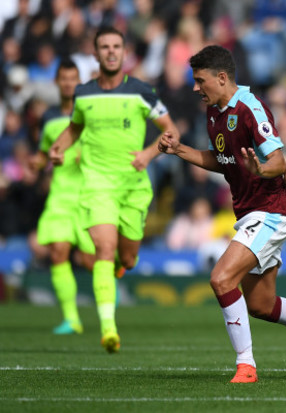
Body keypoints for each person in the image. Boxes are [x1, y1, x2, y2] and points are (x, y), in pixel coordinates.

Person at [158, 45, 286, 383]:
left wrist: (260, 169)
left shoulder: (251, 109)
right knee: (262, 305)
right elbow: (220, 160)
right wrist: (179, 149)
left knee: (221, 278)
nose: (196, 88)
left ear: (221, 78)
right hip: (250, 213)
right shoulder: (214, 112)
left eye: (200, 80)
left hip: (270, 212)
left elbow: (279, 163)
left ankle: (246, 365)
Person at [49, 26, 180, 353]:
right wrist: (59, 147)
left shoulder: (142, 91)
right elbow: (74, 127)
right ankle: (109, 330)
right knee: (103, 251)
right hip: (97, 185)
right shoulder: (84, 93)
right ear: (95, 54)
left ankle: (123, 266)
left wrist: (149, 154)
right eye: (104, 46)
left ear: (124, 53)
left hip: (133, 187)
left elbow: (171, 130)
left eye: (116, 46)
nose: (110, 51)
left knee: (129, 258)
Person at [30, 58, 95, 335]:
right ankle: (71, 318)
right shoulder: (48, 117)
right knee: (58, 253)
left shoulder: (90, 112)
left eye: (73, 78)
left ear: (79, 81)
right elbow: (44, 153)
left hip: (88, 193)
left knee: (91, 260)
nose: (68, 83)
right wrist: (37, 164)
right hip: (60, 194)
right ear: (57, 82)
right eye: (64, 78)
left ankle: (111, 284)